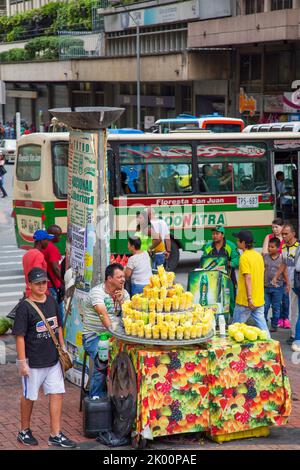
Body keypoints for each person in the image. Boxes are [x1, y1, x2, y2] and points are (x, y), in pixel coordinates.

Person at [12, 268, 76, 448]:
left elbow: (59, 327)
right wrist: (22, 362)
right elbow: (19, 336)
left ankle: (55, 434)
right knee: (29, 396)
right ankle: (24, 430)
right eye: (38, 283)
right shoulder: (24, 307)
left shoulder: (52, 301)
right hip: (33, 362)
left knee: (57, 394)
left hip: (53, 360)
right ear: (30, 285)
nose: (41, 286)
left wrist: (63, 348)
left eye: (44, 283)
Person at [82, 263, 130, 398]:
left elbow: (129, 318)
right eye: (119, 277)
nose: (123, 279)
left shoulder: (124, 293)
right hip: (94, 336)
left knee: (128, 358)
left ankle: (120, 396)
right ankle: (96, 397)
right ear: (109, 278)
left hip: (116, 335)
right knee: (102, 357)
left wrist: (122, 303)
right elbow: (103, 314)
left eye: (123, 276)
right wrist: (113, 335)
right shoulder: (97, 292)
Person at [231, 230, 270, 336]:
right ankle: (270, 346)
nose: (236, 242)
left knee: (236, 329)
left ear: (243, 243)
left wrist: (249, 298)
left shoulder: (244, 257)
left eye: (238, 240)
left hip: (245, 301)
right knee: (263, 329)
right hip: (259, 299)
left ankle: (234, 352)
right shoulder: (258, 255)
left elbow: (248, 277)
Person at [272, 224, 300, 345]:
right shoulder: (283, 247)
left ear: (293, 234)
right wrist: (276, 277)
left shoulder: (298, 247)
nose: (283, 236)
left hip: (297, 281)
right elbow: (284, 264)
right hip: (292, 283)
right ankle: (294, 334)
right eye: (282, 234)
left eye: (286, 234)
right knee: (293, 309)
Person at [262, 218, 289, 328]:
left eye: (276, 227)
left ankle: (285, 318)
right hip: (270, 273)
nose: (274, 229)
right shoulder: (269, 237)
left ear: (282, 227)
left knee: (284, 298)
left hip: (284, 270)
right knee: (271, 303)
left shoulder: (285, 238)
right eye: (273, 227)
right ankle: (275, 321)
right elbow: (264, 253)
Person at [43, 225, 65, 324]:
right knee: (58, 314)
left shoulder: (45, 247)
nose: (60, 237)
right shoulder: (52, 248)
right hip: (53, 286)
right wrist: (63, 282)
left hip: (48, 285)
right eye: (59, 235)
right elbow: (55, 268)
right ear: (53, 236)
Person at [23, 230, 54, 297]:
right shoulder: (38, 255)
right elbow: (38, 277)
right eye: (47, 240)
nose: (48, 242)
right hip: (38, 294)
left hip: (30, 291)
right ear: (41, 241)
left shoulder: (27, 254)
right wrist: (45, 294)